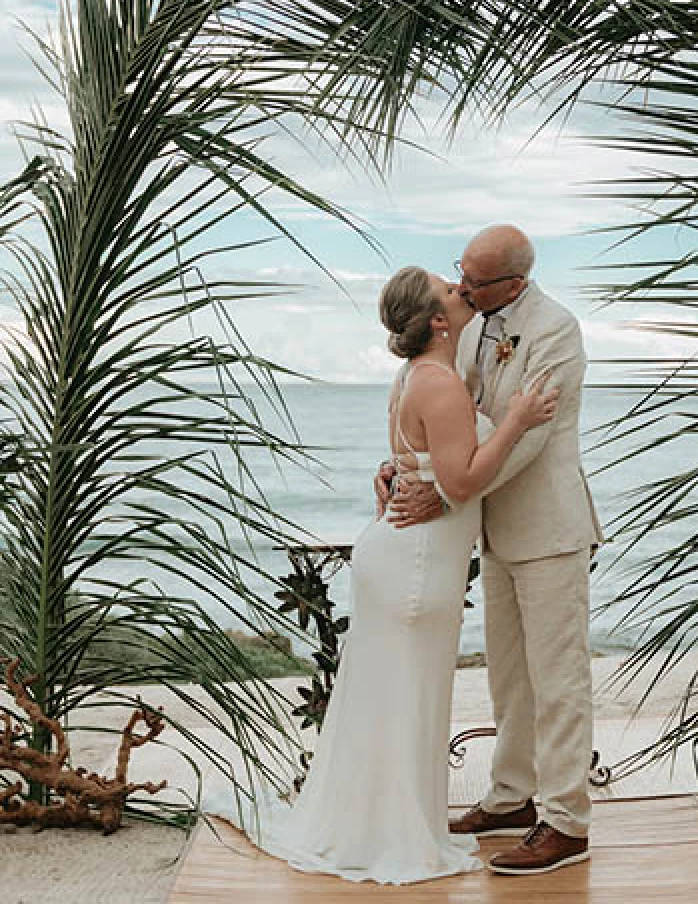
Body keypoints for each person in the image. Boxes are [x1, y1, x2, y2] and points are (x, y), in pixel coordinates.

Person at [204, 266, 558, 886]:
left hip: (398, 555)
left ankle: (379, 823)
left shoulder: (415, 376)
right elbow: (464, 480)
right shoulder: (440, 386)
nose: (458, 286)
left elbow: (422, 464)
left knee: (389, 698)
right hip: (416, 566)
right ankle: (395, 836)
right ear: (441, 321)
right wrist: (517, 421)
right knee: (409, 699)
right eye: (448, 290)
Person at [383, 225, 601, 875]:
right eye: (461, 275)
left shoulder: (557, 331)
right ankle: (510, 797)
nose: (465, 289)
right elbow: (456, 419)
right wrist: (406, 469)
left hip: (551, 528)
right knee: (510, 676)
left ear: (513, 280)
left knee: (559, 679)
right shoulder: (475, 326)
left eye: (475, 281)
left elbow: (529, 441)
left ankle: (567, 821)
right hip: (496, 528)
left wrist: (445, 495)